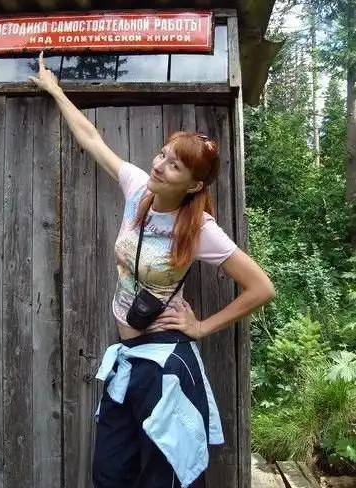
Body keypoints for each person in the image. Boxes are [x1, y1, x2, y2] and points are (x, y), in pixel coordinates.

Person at [30, 53, 275, 488]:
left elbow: (261, 288)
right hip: (127, 359)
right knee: (109, 472)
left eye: (174, 164)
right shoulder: (137, 190)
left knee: (162, 479)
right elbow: (91, 138)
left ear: (194, 184)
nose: (159, 164)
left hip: (165, 363)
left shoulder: (199, 229)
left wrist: (201, 327)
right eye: (163, 154)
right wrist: (54, 89)